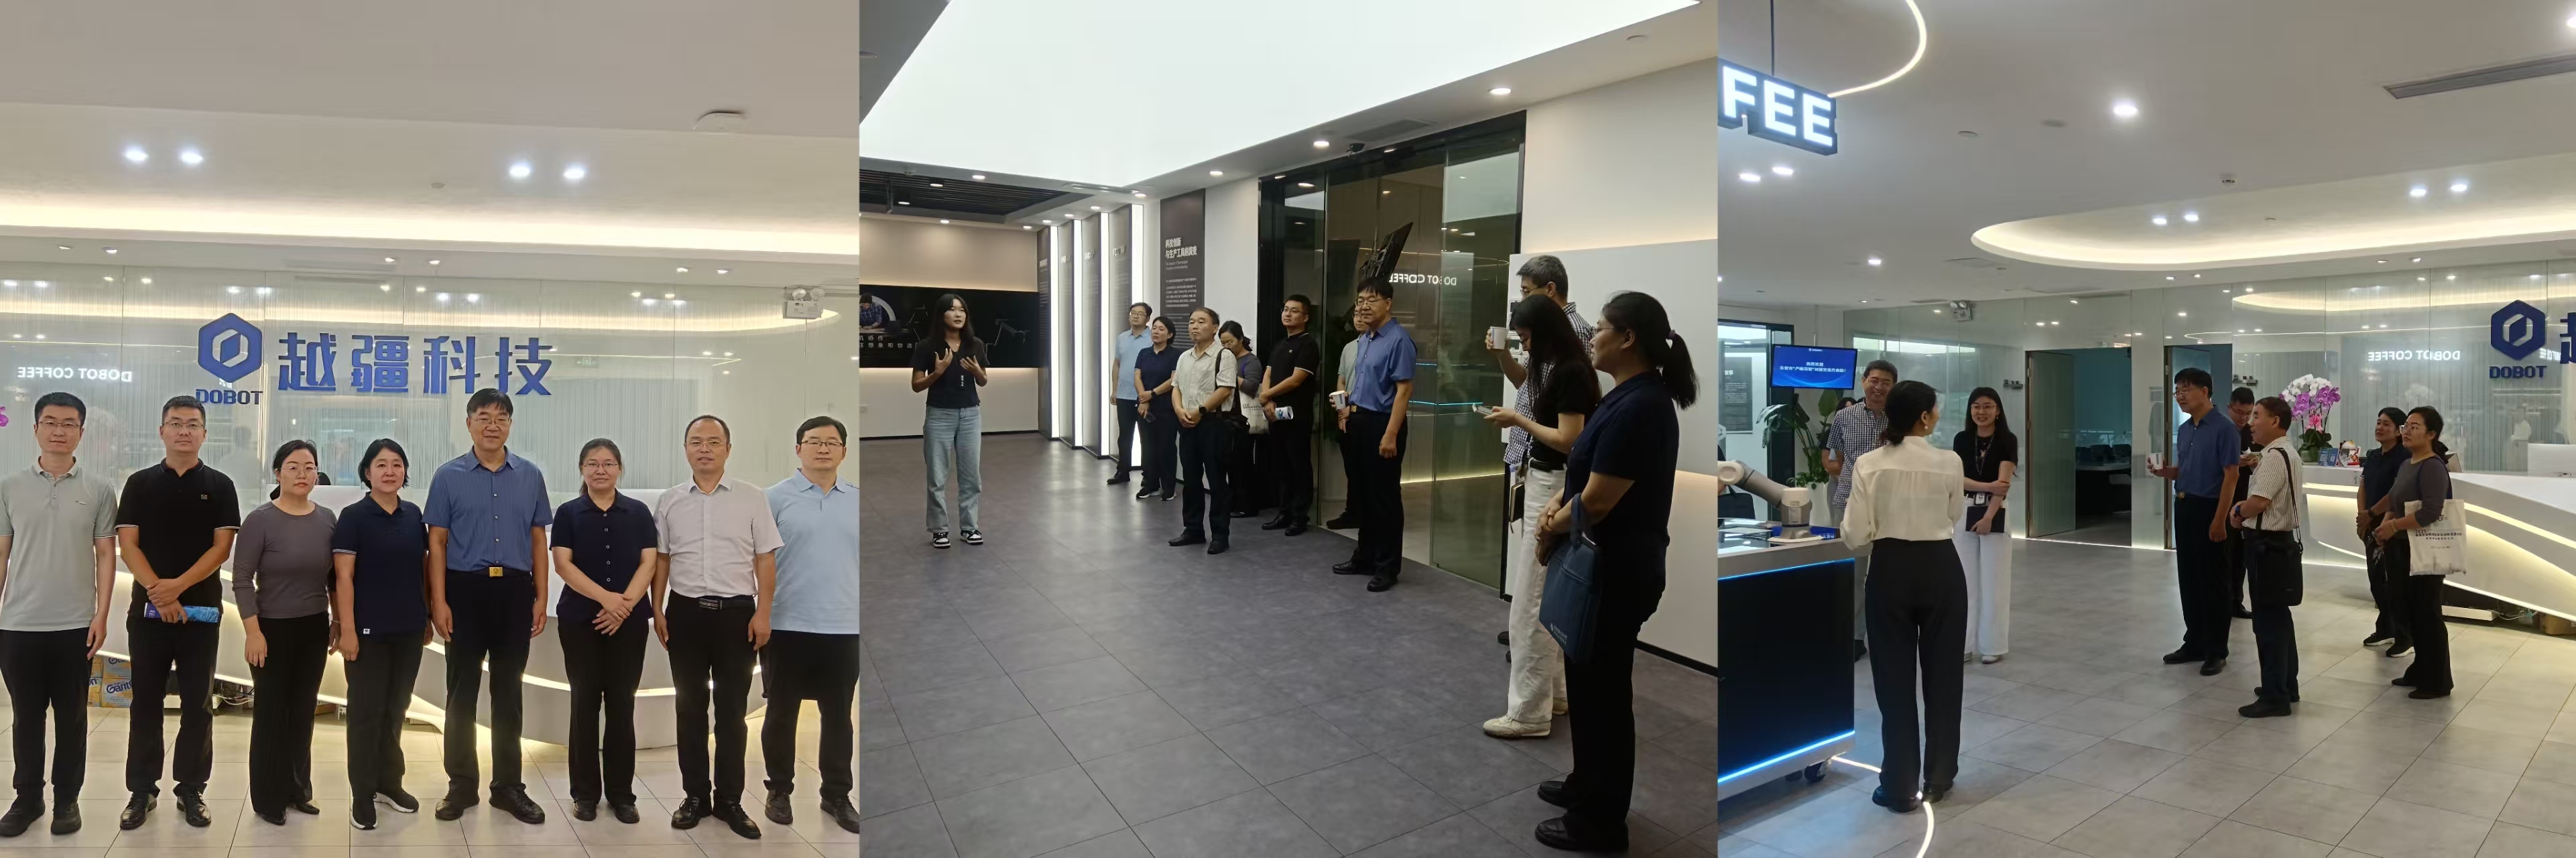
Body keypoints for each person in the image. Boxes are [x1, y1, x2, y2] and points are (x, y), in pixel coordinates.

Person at [1527, 291, 1694, 852]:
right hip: (1603, 565)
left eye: (1599, 328)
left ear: (1627, 338)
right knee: (1588, 683)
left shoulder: (1643, 405)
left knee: (1603, 697)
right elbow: (1585, 480)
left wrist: (1549, 525)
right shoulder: (1624, 396)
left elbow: (1598, 500)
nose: (1591, 336)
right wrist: (1557, 512)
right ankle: (1585, 783)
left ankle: (1601, 822)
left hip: (1618, 572)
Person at [425, 388, 552, 824]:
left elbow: (538, 539)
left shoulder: (530, 476)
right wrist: (439, 601)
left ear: (510, 425)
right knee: (461, 693)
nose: (492, 425)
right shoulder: (448, 476)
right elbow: (437, 543)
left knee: (509, 692)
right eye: (483, 417)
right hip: (464, 591)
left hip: (515, 592)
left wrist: (541, 596)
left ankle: (508, 787)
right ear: (469, 424)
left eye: (501, 418)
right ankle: (461, 785)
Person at [1841, 379, 1967, 816]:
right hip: (1941, 567)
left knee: (1893, 682)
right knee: (1944, 676)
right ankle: (1939, 776)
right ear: (1924, 417)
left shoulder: (1868, 463)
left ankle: (1898, 785)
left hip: (1889, 569)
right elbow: (1954, 514)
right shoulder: (1949, 461)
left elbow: (1855, 534)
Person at [652, 415, 780, 840]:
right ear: (686, 449)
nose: (704, 449)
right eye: (696, 441)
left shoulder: (752, 498)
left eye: (713, 441)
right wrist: (658, 608)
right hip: (685, 614)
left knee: (732, 714)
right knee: (689, 710)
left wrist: (763, 613)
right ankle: (695, 796)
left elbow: (765, 558)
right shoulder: (670, 501)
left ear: (728, 448)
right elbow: (663, 559)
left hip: (736, 616)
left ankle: (730, 800)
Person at [115, 395, 239, 831]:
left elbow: (221, 549)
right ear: (162, 431)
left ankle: (191, 789)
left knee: (197, 704)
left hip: (201, 612)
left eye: (192, 424)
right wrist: (158, 594)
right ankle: (142, 790)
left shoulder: (220, 485)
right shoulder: (140, 484)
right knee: (146, 702)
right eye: (176, 423)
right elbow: (128, 545)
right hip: (147, 613)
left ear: (204, 433)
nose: (184, 431)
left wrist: (176, 589)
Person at [1481, 296, 1598, 740]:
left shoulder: (1569, 371)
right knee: (1542, 595)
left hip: (1553, 483)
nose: (1525, 346)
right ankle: (1555, 694)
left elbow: (1569, 439)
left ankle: (1528, 713)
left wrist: (1518, 420)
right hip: (1546, 480)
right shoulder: (1557, 367)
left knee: (1530, 603)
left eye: (1527, 338)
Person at [0, 393, 117, 837]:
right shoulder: (9, 487)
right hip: (18, 624)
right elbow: (1, 554)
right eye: (50, 422)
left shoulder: (99, 490)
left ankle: (67, 799)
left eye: (69, 424)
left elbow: (105, 555)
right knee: (26, 718)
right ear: (36, 429)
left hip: (75, 625)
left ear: (81, 433)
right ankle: (27, 799)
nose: (59, 431)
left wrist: (101, 615)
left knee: (72, 719)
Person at [550, 438, 659, 825]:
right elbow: (563, 564)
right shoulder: (568, 513)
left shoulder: (638, 512)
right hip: (581, 622)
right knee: (584, 705)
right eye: (593, 463)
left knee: (622, 705)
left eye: (609, 463)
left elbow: (649, 562)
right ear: (582, 469)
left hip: (629, 624)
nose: (601, 470)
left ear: (620, 469)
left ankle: (622, 795)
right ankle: (584, 795)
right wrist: (607, 600)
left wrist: (623, 606)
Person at [763, 417, 863, 834]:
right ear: (798, 449)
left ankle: (836, 795)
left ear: (844, 451)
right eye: (814, 441)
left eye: (832, 442)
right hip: (786, 623)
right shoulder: (773, 499)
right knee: (781, 712)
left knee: (839, 715)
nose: (823, 448)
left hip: (845, 625)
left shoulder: (858, 500)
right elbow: (757, 561)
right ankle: (779, 790)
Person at [236, 440, 337, 826]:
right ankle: (268, 798)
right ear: (278, 474)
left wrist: (337, 621)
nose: (302, 474)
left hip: (313, 627)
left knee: (303, 710)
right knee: (272, 713)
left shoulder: (327, 519)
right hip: (271, 629)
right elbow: (242, 580)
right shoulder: (260, 519)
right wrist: (253, 632)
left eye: (309, 467)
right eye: (293, 467)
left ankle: (298, 789)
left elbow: (333, 577)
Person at [332, 439, 430, 831]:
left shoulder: (414, 515)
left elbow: (422, 569)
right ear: (367, 472)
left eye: (397, 464)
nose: (390, 471)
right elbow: (343, 577)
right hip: (367, 633)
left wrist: (426, 617)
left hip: (409, 629)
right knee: (365, 713)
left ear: (405, 471)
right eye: (381, 464)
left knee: (395, 710)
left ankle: (390, 783)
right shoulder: (354, 517)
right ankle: (362, 793)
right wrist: (348, 630)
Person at [2148, 367, 2238, 677]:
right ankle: (2195, 642)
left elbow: (2231, 476)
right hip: (2185, 504)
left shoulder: (2224, 429)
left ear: (2205, 391)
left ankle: (2216, 650)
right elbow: (2185, 471)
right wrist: (2166, 472)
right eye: (2177, 390)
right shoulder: (2185, 429)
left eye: (2185, 389)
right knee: (2189, 578)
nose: (2180, 396)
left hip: (2210, 508)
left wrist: (2220, 520)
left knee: (2214, 582)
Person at [1333, 282, 1415, 591]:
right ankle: (1365, 557)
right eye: (1360, 300)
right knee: (1363, 495)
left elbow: (1403, 391)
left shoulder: (1399, 340)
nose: (1363, 306)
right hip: (1358, 420)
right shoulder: (1365, 338)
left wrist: (1391, 435)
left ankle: (1387, 566)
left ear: (1388, 303)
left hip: (1383, 424)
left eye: (1371, 300)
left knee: (1384, 498)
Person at [2374, 407, 2456, 699]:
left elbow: (2431, 511)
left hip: (2422, 550)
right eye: (2405, 426)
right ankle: (2421, 669)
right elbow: (2396, 500)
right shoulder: (2408, 463)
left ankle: (2437, 680)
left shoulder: (2433, 466)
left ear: (2432, 434)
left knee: (2427, 614)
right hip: (2401, 548)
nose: (2406, 431)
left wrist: (2393, 526)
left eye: (2414, 427)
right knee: (2410, 611)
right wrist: (2385, 524)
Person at [2231, 396, 2305, 718]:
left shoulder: (2275, 456)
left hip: (2267, 546)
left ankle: (2275, 697)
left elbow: (2259, 502)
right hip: (2278, 545)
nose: (2251, 423)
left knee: (2268, 623)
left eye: (2257, 416)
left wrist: (2237, 511)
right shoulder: (2286, 453)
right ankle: (2286, 685)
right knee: (2279, 619)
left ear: (2275, 421)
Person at [1825, 361, 1897, 660]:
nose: (1879, 387)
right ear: (1864, 381)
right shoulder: (1844, 416)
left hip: (1890, 503)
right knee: (1853, 572)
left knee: (1887, 572)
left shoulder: (1900, 418)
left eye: (1886, 382)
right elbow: (1837, 457)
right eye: (1874, 380)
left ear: (1894, 386)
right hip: (1850, 501)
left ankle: (1885, 632)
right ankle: (1855, 636)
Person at [914, 293, 989, 548]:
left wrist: (978, 372)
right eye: (952, 309)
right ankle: (939, 529)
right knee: (937, 477)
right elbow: (916, 385)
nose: (958, 314)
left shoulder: (975, 344)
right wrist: (937, 373)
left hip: (970, 415)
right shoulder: (927, 346)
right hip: (939, 415)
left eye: (962, 310)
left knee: (971, 476)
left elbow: (983, 380)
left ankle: (970, 527)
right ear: (941, 314)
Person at [1952, 387, 2016, 664]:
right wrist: (1988, 486)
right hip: (1965, 507)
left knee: (1994, 581)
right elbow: (1958, 479)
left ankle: (1993, 645)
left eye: (1988, 406)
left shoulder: (2007, 440)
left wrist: (1989, 517)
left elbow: (2004, 484)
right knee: (1963, 581)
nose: (1982, 412)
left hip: (1995, 511)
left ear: (1998, 410)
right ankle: (1963, 644)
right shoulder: (1962, 439)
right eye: (1976, 406)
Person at [1170, 308, 1240, 553]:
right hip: (1187, 423)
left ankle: (1220, 535)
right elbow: (1176, 387)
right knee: (1190, 480)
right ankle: (1193, 530)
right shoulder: (1184, 357)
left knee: (1217, 481)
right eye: (1192, 322)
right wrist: (1179, 411)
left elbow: (1225, 390)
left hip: (1213, 424)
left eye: (1201, 322)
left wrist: (1200, 411)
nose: (1195, 326)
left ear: (1215, 327)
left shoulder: (1224, 355)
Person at [1258, 295, 1323, 535]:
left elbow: (1296, 380)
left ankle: (1299, 516)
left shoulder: (1308, 344)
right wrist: (1267, 400)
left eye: (1294, 311)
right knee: (1281, 466)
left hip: (1298, 417)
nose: (1288, 314)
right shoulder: (1280, 344)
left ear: (1305, 317)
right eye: (1285, 309)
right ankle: (1283, 513)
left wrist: (1267, 395)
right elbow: (1268, 374)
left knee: (1299, 466)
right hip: (1276, 414)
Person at [2358, 408, 2412, 656]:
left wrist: (2371, 515)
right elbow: (2364, 486)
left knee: (2395, 583)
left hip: (2392, 526)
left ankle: (2405, 635)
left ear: (2399, 431)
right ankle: (2386, 628)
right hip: (2371, 524)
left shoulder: (2404, 457)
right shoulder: (2373, 456)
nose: (2380, 428)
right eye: (2378, 422)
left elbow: (2395, 494)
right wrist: (2363, 516)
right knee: (2377, 580)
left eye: (2386, 424)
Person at [1220, 320, 1266, 519]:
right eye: (1223, 343)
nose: (1226, 346)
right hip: (1226, 418)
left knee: (1243, 462)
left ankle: (1248, 505)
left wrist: (1230, 375)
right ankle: (1233, 503)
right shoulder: (1224, 359)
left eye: (1230, 342)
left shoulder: (1251, 360)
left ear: (1240, 339)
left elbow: (1252, 387)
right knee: (1229, 463)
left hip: (1244, 420)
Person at [1133, 317, 1182, 502]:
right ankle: (1151, 485)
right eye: (1154, 328)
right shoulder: (1144, 353)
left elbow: (1173, 380)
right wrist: (1143, 399)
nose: (1156, 332)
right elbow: (1137, 377)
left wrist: (1152, 394)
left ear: (1170, 335)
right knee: (1148, 448)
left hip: (1166, 408)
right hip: (1145, 408)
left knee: (1166, 448)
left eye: (1161, 329)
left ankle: (1169, 487)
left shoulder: (1175, 355)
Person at [1109, 302, 1154, 485]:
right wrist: (1114, 390)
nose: (1135, 316)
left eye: (1140, 314)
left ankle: (1148, 475)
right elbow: (1117, 364)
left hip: (1144, 397)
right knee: (1124, 437)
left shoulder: (1152, 338)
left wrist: (1148, 396)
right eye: (1133, 313)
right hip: (1124, 395)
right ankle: (1123, 471)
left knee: (1147, 438)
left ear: (1148, 319)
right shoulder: (1122, 338)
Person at [1326, 306, 1363, 530]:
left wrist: (1353, 408)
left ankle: (1365, 514)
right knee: (1351, 468)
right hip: (1347, 415)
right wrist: (1342, 411)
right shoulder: (1349, 347)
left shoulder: (1381, 346)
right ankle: (1353, 513)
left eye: (1363, 314)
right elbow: (1341, 381)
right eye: (1356, 315)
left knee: (1365, 470)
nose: (1359, 319)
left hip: (1366, 414)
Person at [2225, 386, 2259, 619]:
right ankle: (2223, 600)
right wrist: (2232, 461)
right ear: (2230, 408)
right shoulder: (2222, 431)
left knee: (2241, 555)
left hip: (2246, 498)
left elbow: (2262, 460)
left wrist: (2255, 461)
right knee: (2224, 554)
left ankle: (2236, 601)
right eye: (2239, 412)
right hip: (2224, 498)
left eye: (2248, 413)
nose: (2243, 418)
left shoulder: (2252, 432)